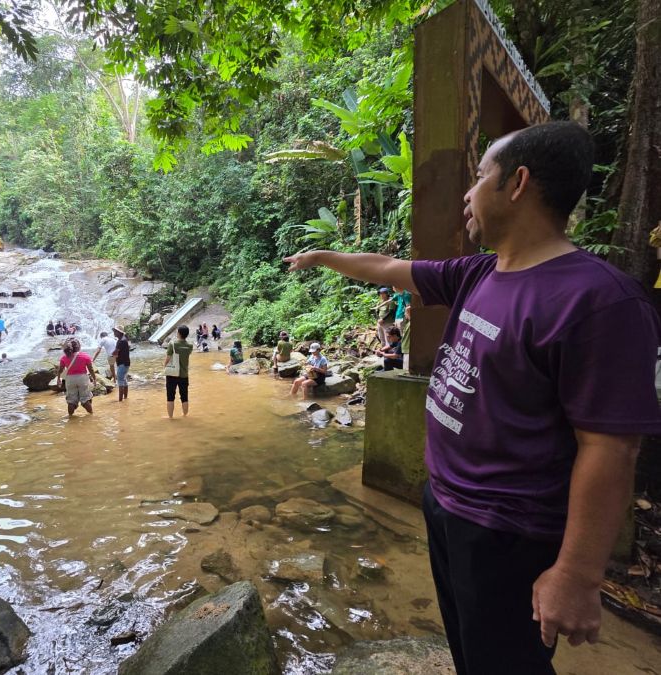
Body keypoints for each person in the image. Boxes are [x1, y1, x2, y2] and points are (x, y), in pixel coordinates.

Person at [283, 122, 661, 674]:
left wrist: (577, 576)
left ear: (518, 183)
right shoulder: (481, 272)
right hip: (447, 504)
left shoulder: (598, 301)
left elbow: (610, 448)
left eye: (480, 176)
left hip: (509, 530)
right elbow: (388, 270)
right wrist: (320, 257)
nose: (468, 192)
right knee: (471, 651)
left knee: (507, 664)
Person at [57, 338, 96, 417]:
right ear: (78, 347)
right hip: (82, 378)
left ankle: (70, 417)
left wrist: (58, 379)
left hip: (70, 379)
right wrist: (94, 378)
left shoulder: (64, 357)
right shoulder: (85, 356)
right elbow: (91, 369)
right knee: (85, 399)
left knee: (71, 400)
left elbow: (60, 369)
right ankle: (91, 415)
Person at [163, 325, 193, 418]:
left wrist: (164, 365)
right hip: (184, 375)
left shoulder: (172, 344)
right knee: (184, 397)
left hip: (172, 374)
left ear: (179, 333)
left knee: (170, 397)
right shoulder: (189, 346)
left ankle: (170, 418)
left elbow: (167, 359)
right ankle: (185, 416)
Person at [112, 326, 131, 401]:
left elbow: (116, 352)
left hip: (122, 363)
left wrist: (112, 354)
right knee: (124, 380)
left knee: (120, 381)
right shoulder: (124, 339)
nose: (114, 333)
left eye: (115, 331)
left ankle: (120, 400)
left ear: (119, 332)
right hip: (126, 362)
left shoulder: (120, 341)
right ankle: (125, 398)